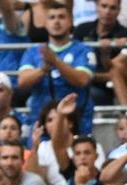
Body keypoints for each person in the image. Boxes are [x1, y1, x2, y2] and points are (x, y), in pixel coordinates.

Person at [17, 2, 97, 136]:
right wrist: (43, 69)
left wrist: (55, 61)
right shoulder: (33, 51)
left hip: (76, 124)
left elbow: (82, 80)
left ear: (70, 21)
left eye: (61, 17)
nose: (57, 21)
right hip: (42, 123)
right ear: (45, 23)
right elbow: (22, 81)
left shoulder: (83, 50)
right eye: (52, 18)